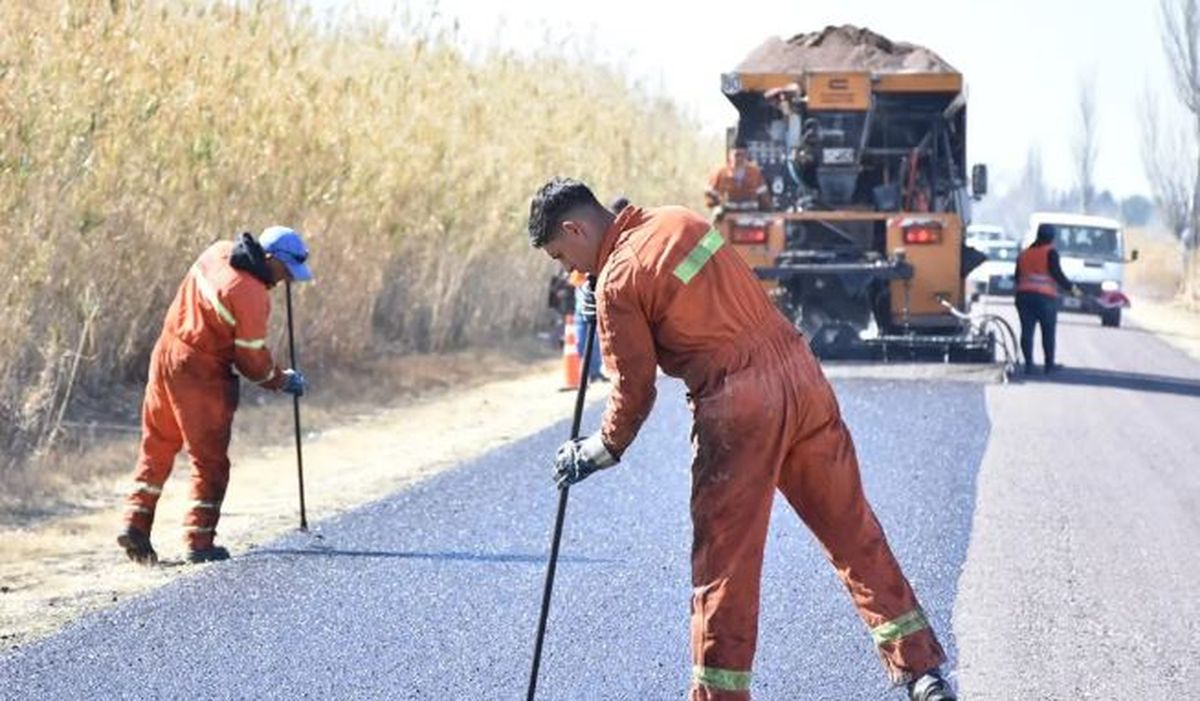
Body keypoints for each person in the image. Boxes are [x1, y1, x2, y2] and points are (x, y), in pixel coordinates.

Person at [526, 178, 955, 701]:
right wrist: (608, 294)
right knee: (853, 532)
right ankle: (923, 672)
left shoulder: (617, 281)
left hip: (738, 406)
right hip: (801, 377)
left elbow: (633, 390)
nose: (566, 269)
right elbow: (685, 292)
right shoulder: (680, 220)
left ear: (574, 229)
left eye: (560, 255)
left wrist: (599, 449)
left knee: (725, 569)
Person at [118, 226, 312, 565]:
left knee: (158, 444)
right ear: (269, 258)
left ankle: (135, 522)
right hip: (200, 371)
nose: (286, 280)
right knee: (210, 461)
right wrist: (282, 380)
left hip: (165, 353)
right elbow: (252, 360)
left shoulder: (217, 251)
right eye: (285, 271)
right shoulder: (251, 294)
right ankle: (199, 541)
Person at [1015, 223, 1081, 374]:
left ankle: (1029, 364)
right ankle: (1049, 365)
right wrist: (1073, 289)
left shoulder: (1024, 254)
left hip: (1024, 297)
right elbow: (1057, 274)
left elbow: (1017, 277)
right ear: (1052, 237)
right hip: (1044, 299)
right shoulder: (1050, 252)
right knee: (1048, 332)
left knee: (1027, 331)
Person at [704, 147, 771, 217]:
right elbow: (710, 192)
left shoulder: (755, 173)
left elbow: (763, 196)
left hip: (750, 215)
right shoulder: (721, 173)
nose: (739, 158)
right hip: (728, 215)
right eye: (736, 155)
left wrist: (766, 213)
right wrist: (716, 208)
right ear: (730, 156)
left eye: (742, 155)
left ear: (746, 156)